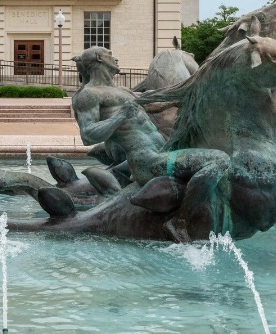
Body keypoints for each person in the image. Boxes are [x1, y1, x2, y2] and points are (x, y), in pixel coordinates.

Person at [72, 47, 232, 237]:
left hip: (162, 153)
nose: (114, 58)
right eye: (109, 54)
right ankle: (179, 221)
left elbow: (151, 105)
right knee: (219, 160)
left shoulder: (122, 91)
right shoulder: (89, 94)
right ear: (99, 58)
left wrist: (185, 100)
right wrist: (119, 117)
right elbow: (88, 135)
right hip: (148, 162)